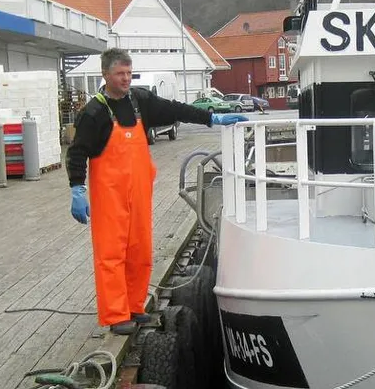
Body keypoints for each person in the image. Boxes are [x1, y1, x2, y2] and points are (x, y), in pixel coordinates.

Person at [66, 48, 246, 335]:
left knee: (140, 251)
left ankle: (135, 307)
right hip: (109, 197)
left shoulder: (140, 101)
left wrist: (211, 118)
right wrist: (77, 187)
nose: (125, 79)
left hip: (138, 193)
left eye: (128, 73)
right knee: (111, 255)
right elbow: (77, 153)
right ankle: (115, 315)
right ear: (105, 75)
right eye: (119, 74)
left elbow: (176, 109)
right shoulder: (94, 112)